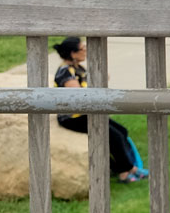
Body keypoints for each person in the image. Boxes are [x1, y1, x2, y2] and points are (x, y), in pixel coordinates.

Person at [52, 38, 148, 182]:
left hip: (87, 113)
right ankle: (125, 172)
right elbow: (79, 96)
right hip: (73, 117)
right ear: (73, 53)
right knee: (114, 136)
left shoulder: (79, 68)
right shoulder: (65, 72)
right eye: (82, 48)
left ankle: (124, 167)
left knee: (121, 131)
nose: (85, 51)